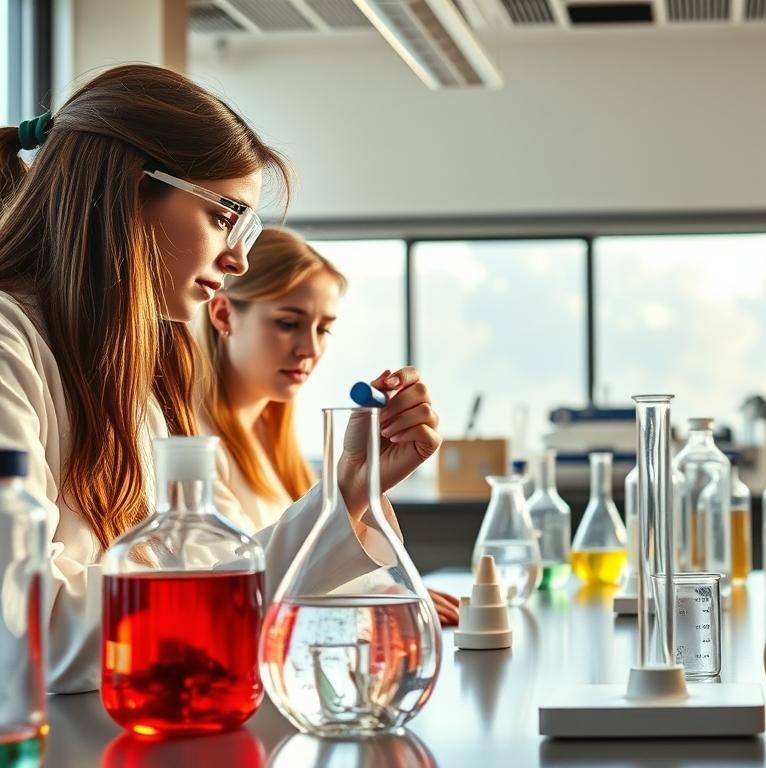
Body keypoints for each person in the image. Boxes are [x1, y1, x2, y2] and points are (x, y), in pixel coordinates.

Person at [0, 64, 443, 692]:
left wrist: (350, 489)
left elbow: (202, 574)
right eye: (224, 217)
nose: (238, 259)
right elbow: (28, 631)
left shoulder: (133, 374)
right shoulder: (8, 347)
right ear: (128, 189)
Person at [195, 227, 458, 624]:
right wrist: (370, 606)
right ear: (223, 314)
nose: (310, 349)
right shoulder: (189, 443)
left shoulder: (274, 446)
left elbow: (307, 567)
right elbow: (222, 598)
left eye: (323, 328)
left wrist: (384, 592)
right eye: (288, 323)